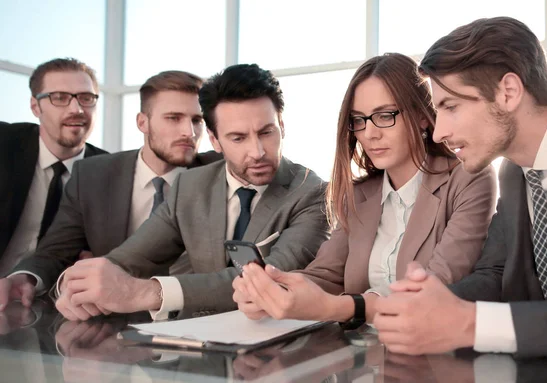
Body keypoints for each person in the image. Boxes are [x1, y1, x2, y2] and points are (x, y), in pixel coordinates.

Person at [374, 17, 547, 363]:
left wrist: (472, 323)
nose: (437, 134)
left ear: (508, 92)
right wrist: (435, 305)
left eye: (450, 107)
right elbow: (495, 275)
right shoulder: (514, 172)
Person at [232, 53, 496, 325]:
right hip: (361, 353)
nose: (369, 133)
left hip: (435, 348)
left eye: (384, 115)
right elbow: (326, 275)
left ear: (421, 117)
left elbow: (436, 288)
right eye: (359, 120)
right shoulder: (359, 195)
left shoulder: (469, 179)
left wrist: (343, 307)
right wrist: (275, 290)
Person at [54, 64, 330, 321]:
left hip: (279, 352)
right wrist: (81, 285)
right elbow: (130, 259)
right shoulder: (190, 185)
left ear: (282, 126)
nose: (257, 152)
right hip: (198, 349)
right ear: (214, 140)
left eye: (267, 132)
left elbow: (268, 282)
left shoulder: (314, 193)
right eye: (238, 138)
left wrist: (146, 293)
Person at [0, 70, 223, 311]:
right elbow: (56, 251)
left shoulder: (219, 172)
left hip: (193, 317)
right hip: (107, 320)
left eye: (197, 120)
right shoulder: (93, 175)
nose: (188, 132)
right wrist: (24, 278)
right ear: (142, 122)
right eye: (173, 118)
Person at [0, 58, 107, 277]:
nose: (76, 109)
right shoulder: (4, 143)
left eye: (86, 98)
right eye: (59, 98)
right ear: (35, 106)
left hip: (56, 302)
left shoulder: (110, 172)